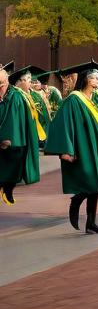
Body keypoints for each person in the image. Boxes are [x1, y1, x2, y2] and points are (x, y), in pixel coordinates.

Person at [43, 60, 98, 233]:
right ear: (87, 80)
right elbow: (62, 124)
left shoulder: (97, 100)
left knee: (97, 184)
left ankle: (91, 222)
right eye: (96, 78)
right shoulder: (74, 100)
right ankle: (76, 200)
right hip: (83, 147)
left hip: (97, 146)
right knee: (90, 181)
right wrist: (65, 150)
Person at [0, 63, 37, 205]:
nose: (1, 88)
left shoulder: (17, 97)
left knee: (15, 173)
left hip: (15, 143)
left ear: (7, 81)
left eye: (3, 84)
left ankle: (8, 189)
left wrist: (13, 139)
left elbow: (21, 121)